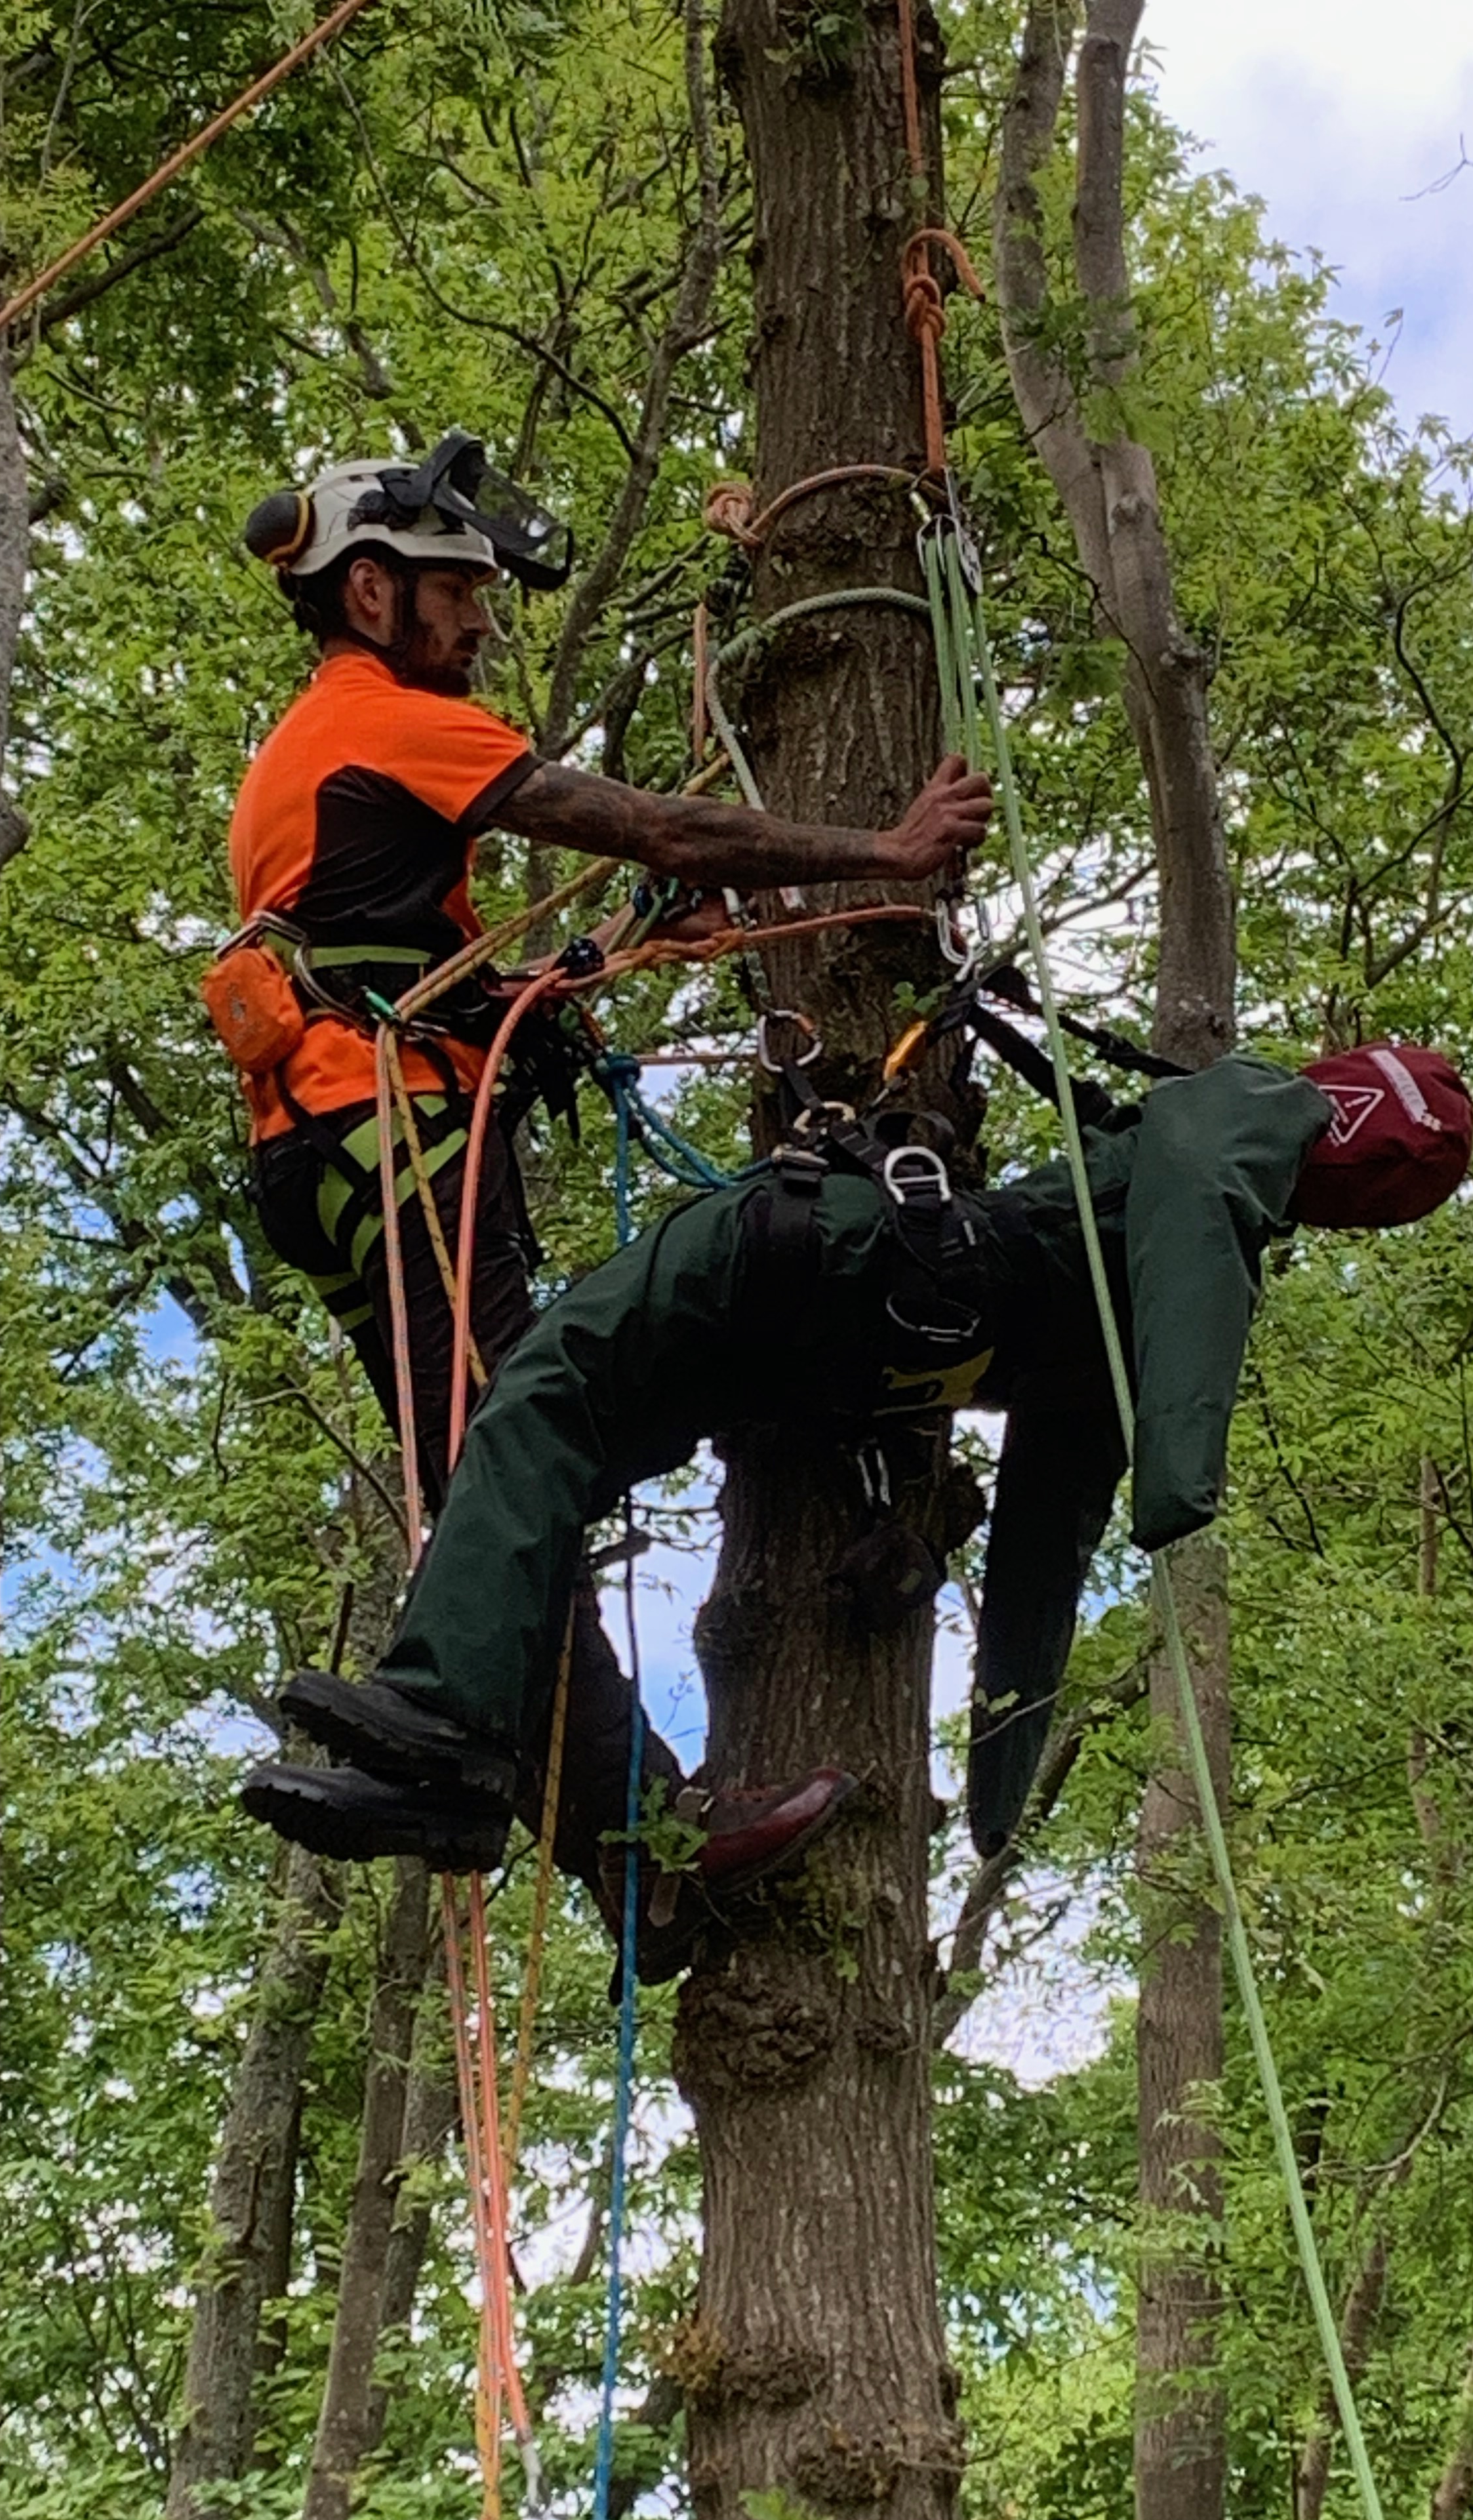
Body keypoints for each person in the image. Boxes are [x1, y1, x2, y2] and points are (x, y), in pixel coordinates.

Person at [214, 430, 994, 1966]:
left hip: (344, 1149)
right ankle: (514, 1782)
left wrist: (553, 982)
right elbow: (654, 822)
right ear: (370, 593)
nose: (483, 623)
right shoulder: (381, 721)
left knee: (508, 1465)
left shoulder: (313, 757)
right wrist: (880, 854)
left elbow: (387, 959)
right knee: (530, 1449)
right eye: (457, 592)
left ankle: (628, 1851)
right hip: (392, 1147)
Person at [246, 1043, 1473, 1958]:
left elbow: (1214, 1166)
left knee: (541, 1398)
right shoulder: (1134, 1318)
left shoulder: (1245, 1116)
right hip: (832, 1351)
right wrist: (1002, 1777)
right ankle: (530, 1801)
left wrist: (1181, 1477)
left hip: (815, 1265)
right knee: (545, 1461)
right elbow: (1047, 1543)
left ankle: (450, 1730)